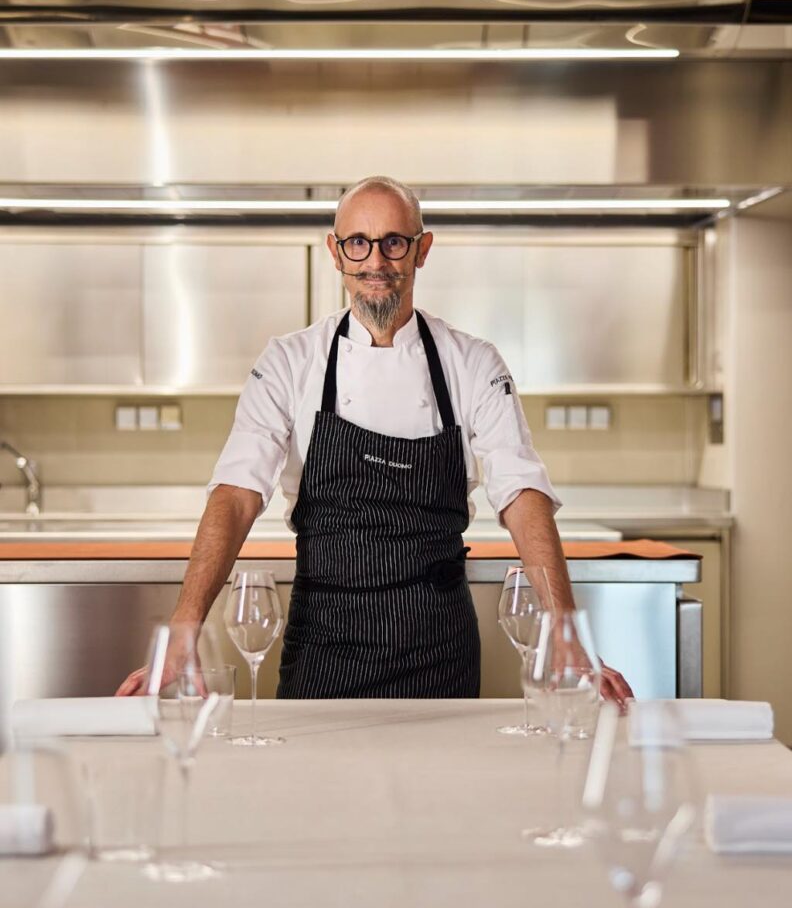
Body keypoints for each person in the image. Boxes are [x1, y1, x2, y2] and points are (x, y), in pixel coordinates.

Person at [117, 176, 632, 705]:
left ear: (422, 250)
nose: (375, 261)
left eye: (394, 242)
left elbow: (522, 494)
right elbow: (236, 494)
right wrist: (184, 628)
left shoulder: (472, 362)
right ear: (335, 253)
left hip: (439, 645)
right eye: (358, 243)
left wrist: (565, 632)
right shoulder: (290, 362)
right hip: (324, 641)